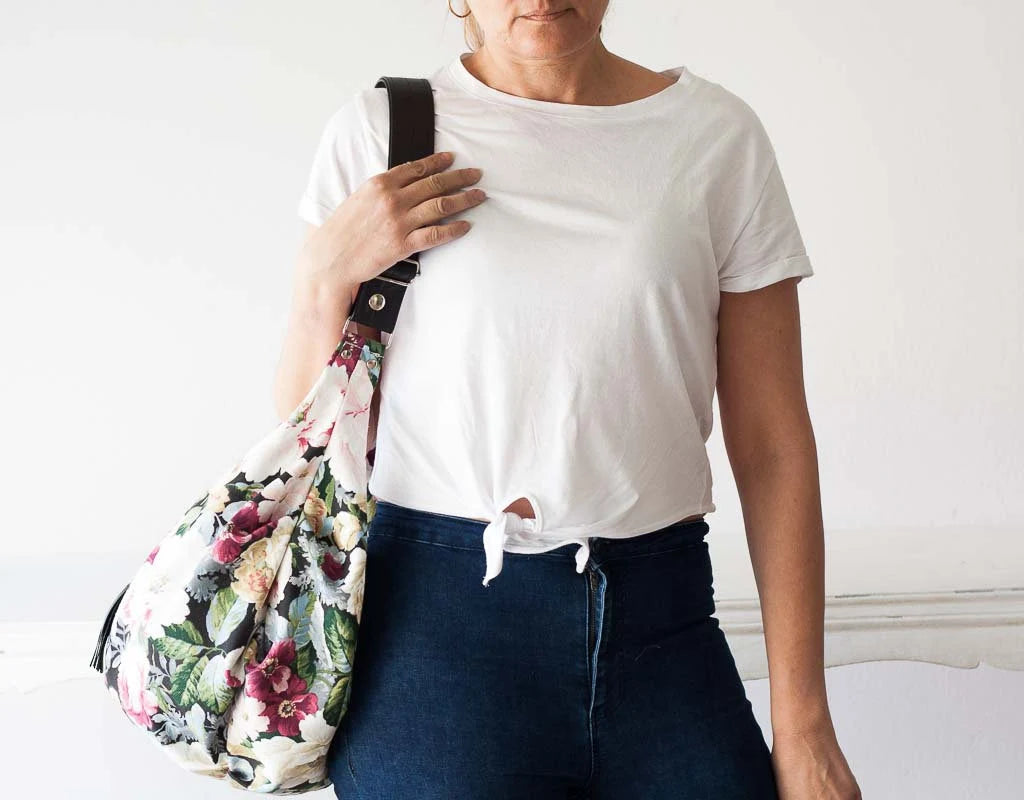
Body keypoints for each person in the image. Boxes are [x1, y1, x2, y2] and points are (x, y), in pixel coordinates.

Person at [276, 2, 861, 798]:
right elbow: (305, 438)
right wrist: (320, 285)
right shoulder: (383, 132)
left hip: (664, 627)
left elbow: (772, 446)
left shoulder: (715, 138)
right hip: (437, 646)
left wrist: (805, 726)